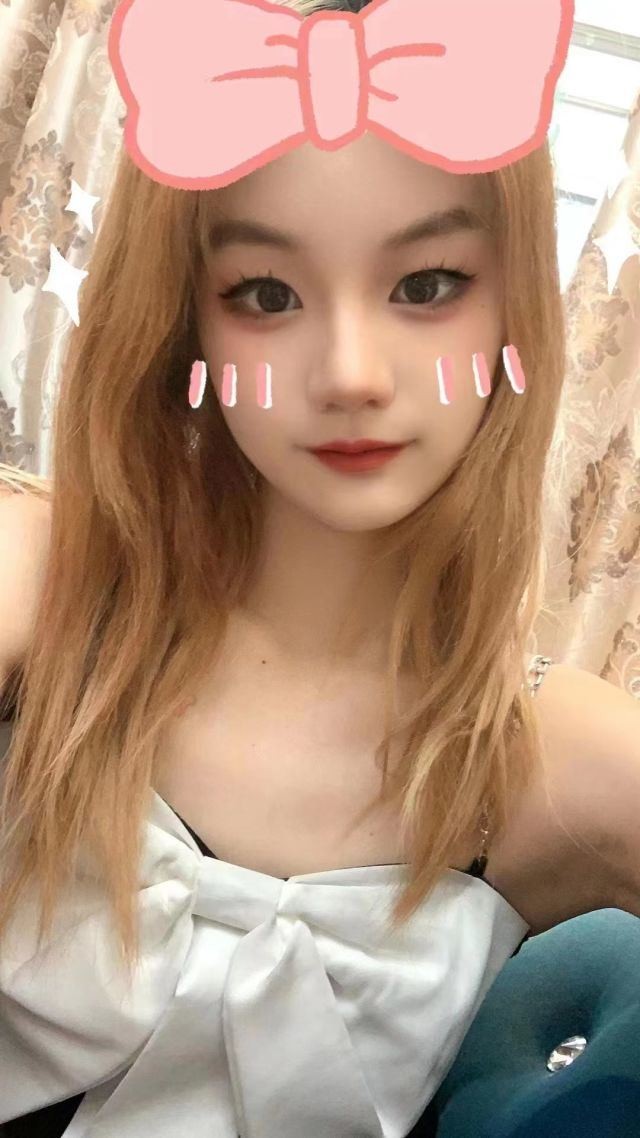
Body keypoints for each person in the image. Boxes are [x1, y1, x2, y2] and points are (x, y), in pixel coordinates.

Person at [0, 1, 630, 1135]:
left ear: (517, 310)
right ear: (185, 325)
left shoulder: (553, 763)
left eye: (427, 285)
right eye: (266, 294)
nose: (349, 373)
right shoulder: (44, 582)